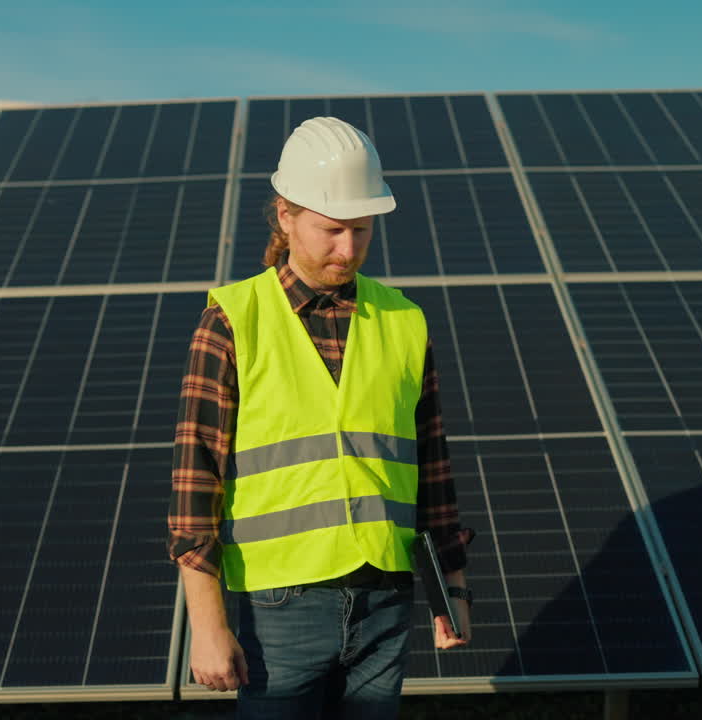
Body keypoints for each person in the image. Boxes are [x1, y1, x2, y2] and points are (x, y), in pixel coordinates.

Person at [168, 116, 473, 719]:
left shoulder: (404, 320)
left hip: (386, 596)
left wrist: (452, 589)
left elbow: (432, 465)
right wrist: (207, 624)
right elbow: (195, 478)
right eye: (332, 230)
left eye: (361, 230)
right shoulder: (232, 319)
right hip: (281, 604)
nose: (349, 249)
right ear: (285, 216)